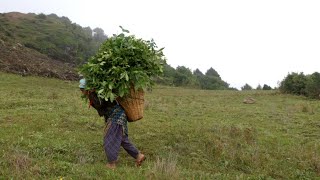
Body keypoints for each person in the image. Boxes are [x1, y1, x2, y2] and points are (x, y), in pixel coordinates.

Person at [79, 78, 145, 169]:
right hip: (117, 115)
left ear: (88, 88)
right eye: (81, 89)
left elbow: (100, 104)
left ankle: (111, 163)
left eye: (83, 89)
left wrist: (93, 93)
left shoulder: (96, 93)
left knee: (109, 138)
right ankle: (138, 155)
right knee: (122, 139)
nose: (81, 91)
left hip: (116, 116)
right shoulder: (94, 93)